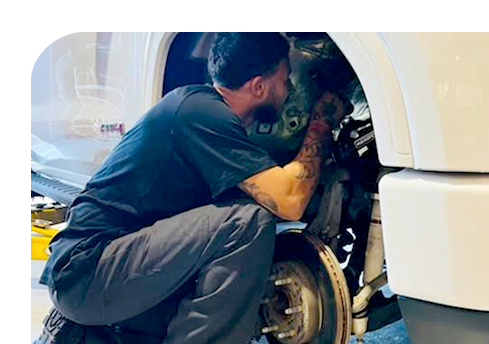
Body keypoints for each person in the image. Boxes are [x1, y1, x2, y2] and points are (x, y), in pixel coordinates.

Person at [35, 32, 349, 344]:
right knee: (247, 221)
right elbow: (289, 200)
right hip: (87, 273)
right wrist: (321, 122)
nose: (291, 89)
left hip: (110, 275)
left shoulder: (207, 114)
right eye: (285, 80)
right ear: (258, 85)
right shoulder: (199, 110)